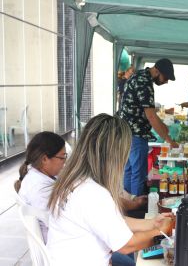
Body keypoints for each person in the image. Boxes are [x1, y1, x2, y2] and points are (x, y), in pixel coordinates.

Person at [47, 114, 173, 266]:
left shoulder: (73, 180)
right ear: (115, 155)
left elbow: (112, 221)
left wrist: (152, 223)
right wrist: (162, 231)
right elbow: (127, 245)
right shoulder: (92, 193)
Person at [119, 58, 178, 196]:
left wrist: (163, 126)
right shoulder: (144, 83)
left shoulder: (138, 75)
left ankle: (127, 204)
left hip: (125, 132)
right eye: (165, 78)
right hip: (136, 133)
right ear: (157, 71)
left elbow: (147, 111)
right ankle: (136, 206)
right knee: (138, 173)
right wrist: (169, 140)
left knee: (129, 170)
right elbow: (151, 116)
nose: (166, 82)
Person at [16, 132, 66, 242]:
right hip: (59, 246)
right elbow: (61, 223)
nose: (65, 162)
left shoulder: (37, 176)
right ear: (44, 159)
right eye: (62, 157)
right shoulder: (39, 188)